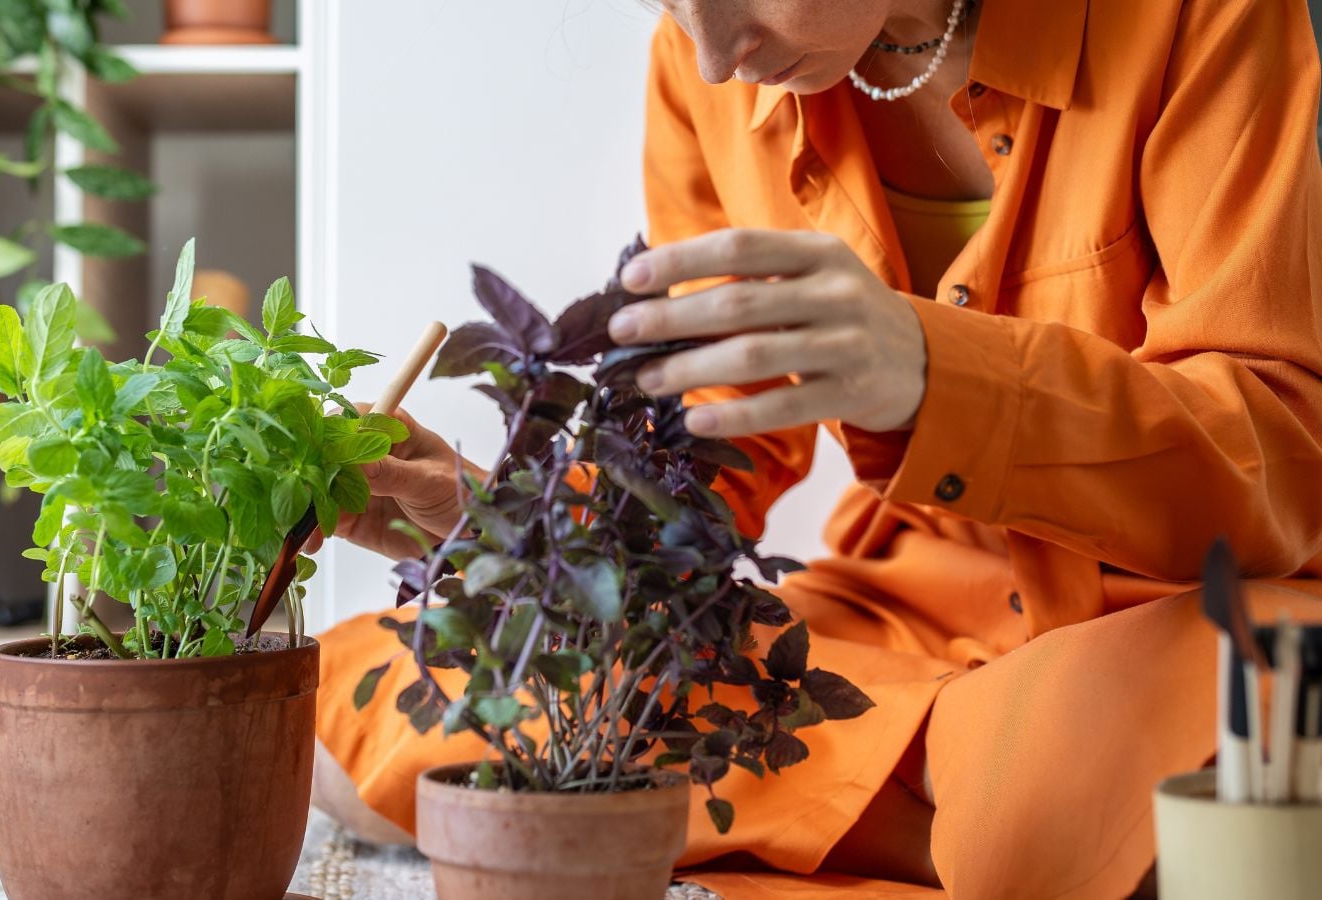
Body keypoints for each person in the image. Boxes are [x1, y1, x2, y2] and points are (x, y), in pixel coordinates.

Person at [310, 0, 1322, 896]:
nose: (712, 54)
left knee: (1251, 689)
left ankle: (863, 800)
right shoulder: (700, 71)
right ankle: (988, 801)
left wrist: (937, 371)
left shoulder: (1203, 12)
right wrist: (519, 539)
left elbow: (1274, 451)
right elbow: (703, 448)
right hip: (889, 622)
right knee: (367, 685)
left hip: (1181, 612)